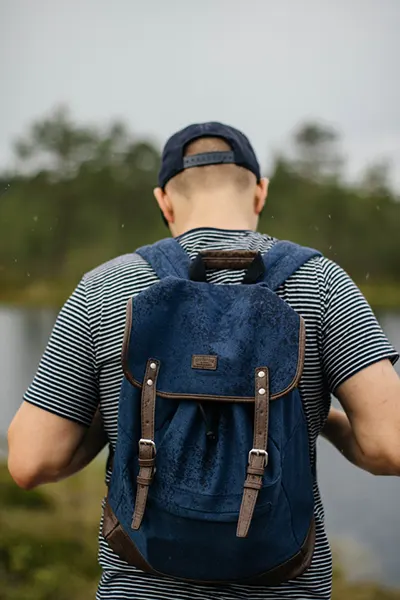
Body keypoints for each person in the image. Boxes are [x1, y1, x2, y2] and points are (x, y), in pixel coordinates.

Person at [7, 122, 400, 600]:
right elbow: (390, 446)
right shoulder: (323, 285)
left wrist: (118, 418)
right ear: (260, 193)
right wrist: (324, 421)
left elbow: (30, 462)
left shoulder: (106, 288)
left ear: (163, 201)